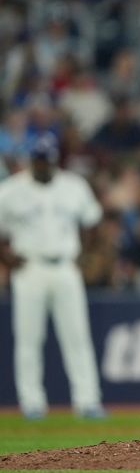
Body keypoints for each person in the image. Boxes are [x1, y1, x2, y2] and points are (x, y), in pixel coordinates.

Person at [0, 133, 106, 419]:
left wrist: (85, 255)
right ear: (31, 160)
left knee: (77, 337)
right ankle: (32, 403)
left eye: (46, 160)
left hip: (65, 266)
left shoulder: (73, 186)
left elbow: (92, 221)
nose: (42, 165)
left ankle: (88, 402)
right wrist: (8, 258)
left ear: (54, 160)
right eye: (38, 160)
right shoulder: (10, 190)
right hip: (29, 268)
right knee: (28, 340)